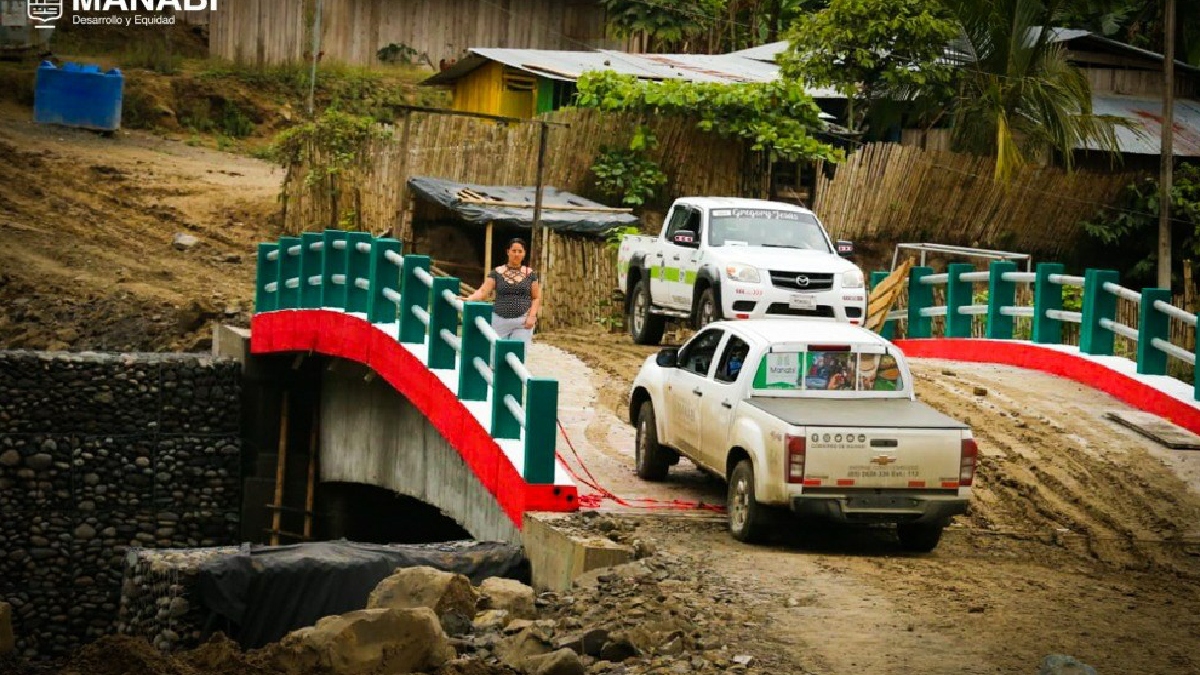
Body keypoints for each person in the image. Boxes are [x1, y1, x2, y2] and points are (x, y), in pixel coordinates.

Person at [465, 238, 542, 343]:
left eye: (520, 251)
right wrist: (470, 298)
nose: (516, 254)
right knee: (496, 353)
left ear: (524, 254)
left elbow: (536, 298)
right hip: (499, 320)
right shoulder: (496, 272)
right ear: (508, 252)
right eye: (514, 251)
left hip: (522, 321)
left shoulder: (531, 274)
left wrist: (532, 317)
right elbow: (483, 292)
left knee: (517, 354)